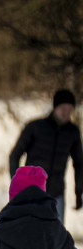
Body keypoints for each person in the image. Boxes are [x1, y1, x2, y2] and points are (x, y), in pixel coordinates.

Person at [9, 89, 83, 223]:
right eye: (63, 108)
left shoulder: (73, 132)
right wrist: (17, 184)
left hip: (56, 193)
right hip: (32, 191)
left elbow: (79, 163)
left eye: (70, 109)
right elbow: (15, 155)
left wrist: (79, 192)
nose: (66, 112)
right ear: (55, 107)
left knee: (56, 236)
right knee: (30, 232)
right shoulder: (35, 127)